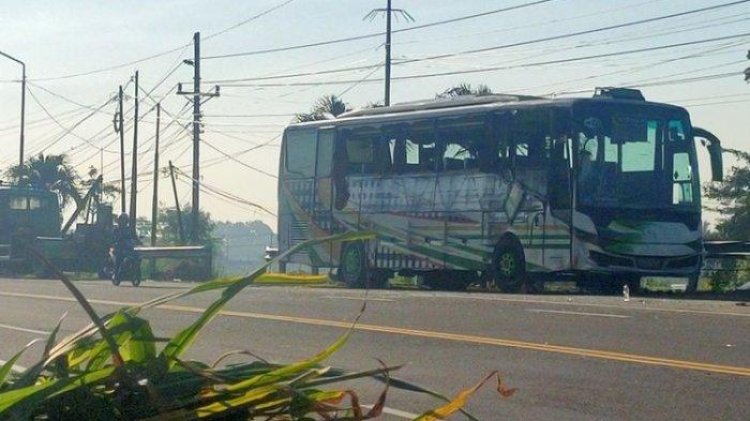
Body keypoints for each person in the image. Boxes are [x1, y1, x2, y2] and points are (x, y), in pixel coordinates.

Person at [112, 213, 137, 281]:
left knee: (136, 256)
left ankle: (133, 271)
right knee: (118, 258)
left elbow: (134, 237)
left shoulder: (129, 229)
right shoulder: (116, 229)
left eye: (125, 220)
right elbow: (114, 238)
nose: (124, 222)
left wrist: (139, 242)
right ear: (120, 221)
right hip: (119, 248)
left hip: (128, 248)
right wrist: (118, 240)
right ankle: (116, 274)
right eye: (123, 220)